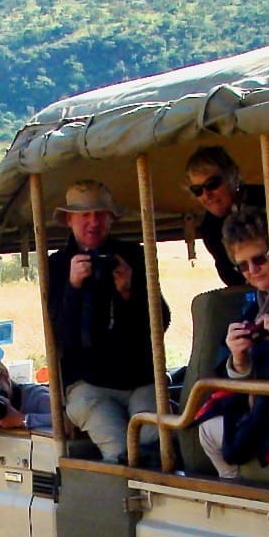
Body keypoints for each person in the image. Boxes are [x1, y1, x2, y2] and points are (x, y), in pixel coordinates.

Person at [46, 180, 169, 463]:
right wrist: (73, 288)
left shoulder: (133, 256)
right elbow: (60, 334)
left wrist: (129, 290)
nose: (93, 222)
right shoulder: (57, 265)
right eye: (84, 215)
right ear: (69, 219)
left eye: (100, 214)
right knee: (118, 450)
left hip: (138, 379)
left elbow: (160, 322)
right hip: (88, 384)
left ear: (111, 219)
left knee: (157, 446)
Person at [193, 207, 269, 480]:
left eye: (259, 260)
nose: (252, 271)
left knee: (208, 431)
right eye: (242, 266)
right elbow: (240, 370)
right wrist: (239, 359)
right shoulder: (261, 301)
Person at [185, 146, 269, 288]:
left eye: (212, 184)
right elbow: (228, 273)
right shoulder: (209, 227)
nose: (206, 195)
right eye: (197, 190)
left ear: (232, 177)